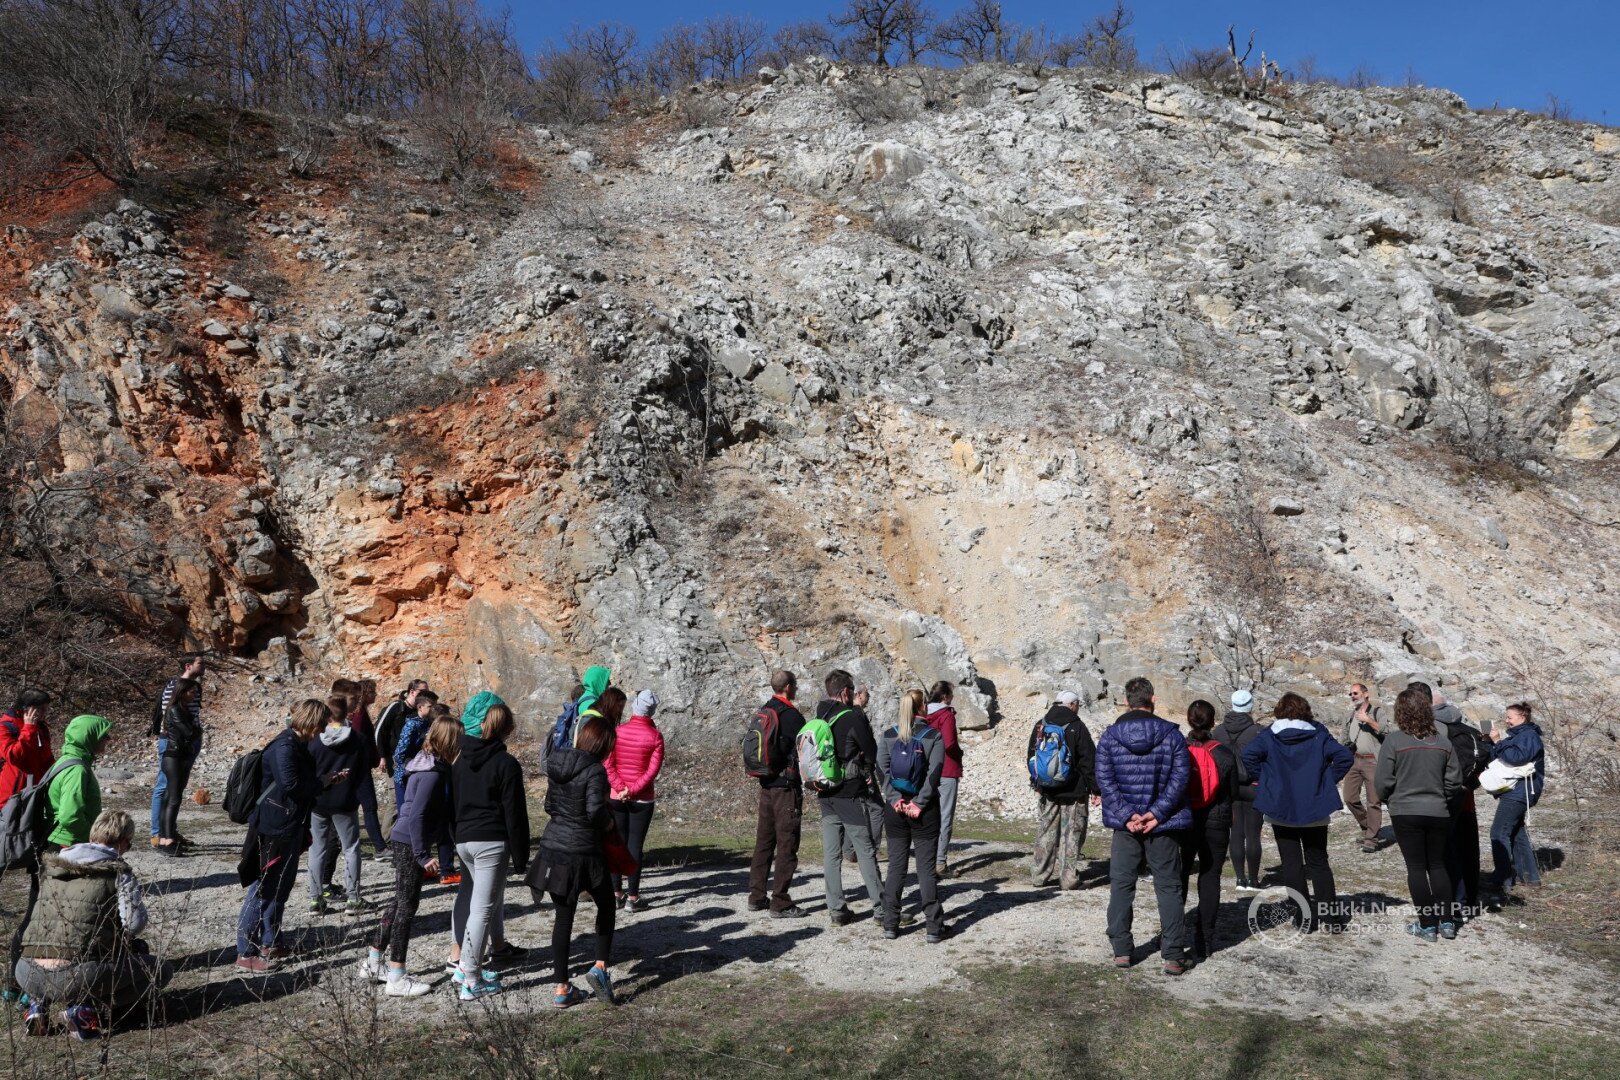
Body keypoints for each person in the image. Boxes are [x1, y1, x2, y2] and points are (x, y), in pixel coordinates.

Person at [15, 810, 172, 1039]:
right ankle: (84, 1008)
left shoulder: (52, 868)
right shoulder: (118, 872)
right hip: (77, 975)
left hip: (26, 970)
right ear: (124, 842)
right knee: (160, 970)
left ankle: (36, 1005)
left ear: (91, 835)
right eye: (128, 844)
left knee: (55, 943)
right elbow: (134, 925)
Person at [1095, 677, 1191, 975]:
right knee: (1169, 887)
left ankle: (1122, 950)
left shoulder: (1109, 737)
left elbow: (1105, 781)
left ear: (1126, 701)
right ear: (1153, 699)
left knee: (1122, 885)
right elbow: (1180, 779)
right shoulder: (1173, 736)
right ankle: (1173, 955)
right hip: (1162, 824)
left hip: (1127, 826)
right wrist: (1156, 814)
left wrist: (1127, 815)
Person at [363, 714, 461, 997]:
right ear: (449, 742)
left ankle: (373, 961)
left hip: (405, 840)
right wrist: (421, 855)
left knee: (399, 902)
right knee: (407, 908)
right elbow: (417, 815)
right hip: (408, 843)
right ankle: (397, 975)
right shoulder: (431, 774)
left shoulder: (428, 764)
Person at [1241, 693, 1353, 933]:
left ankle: (1303, 918)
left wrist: (1267, 781)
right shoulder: (1318, 733)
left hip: (1281, 807)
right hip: (1314, 806)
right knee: (1319, 863)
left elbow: (1248, 755)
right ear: (1305, 710)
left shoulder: (1270, 734)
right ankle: (1331, 919)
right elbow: (1344, 757)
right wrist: (1326, 781)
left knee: (1291, 865)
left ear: (1279, 711)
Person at [532, 716, 619, 1008]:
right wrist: (608, 823)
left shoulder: (557, 764)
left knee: (563, 917)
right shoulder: (595, 770)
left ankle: (561, 988)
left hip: (554, 847)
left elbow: (548, 805)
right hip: (584, 850)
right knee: (606, 904)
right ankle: (600, 967)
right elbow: (594, 810)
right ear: (603, 745)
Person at [237, 700, 328, 972]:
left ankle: (271, 941)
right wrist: (322, 783)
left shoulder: (297, 744)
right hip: (272, 828)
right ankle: (245, 952)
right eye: (321, 724)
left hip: (289, 825)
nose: (323, 730)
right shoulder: (284, 747)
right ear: (311, 721)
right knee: (262, 888)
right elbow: (292, 786)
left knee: (281, 887)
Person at [449, 694, 530, 998]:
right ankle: (471, 978)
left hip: (464, 840)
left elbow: (452, 805)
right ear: (505, 729)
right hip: (491, 843)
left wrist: (455, 838)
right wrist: (521, 857)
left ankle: (464, 967)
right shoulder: (506, 764)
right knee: (482, 910)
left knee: (476, 903)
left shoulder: (458, 760)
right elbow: (515, 814)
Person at [1375, 686, 1465, 942]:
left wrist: (1390, 799)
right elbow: (1454, 781)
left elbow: (1382, 781)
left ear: (1400, 712)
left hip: (1405, 811)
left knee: (1416, 868)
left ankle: (1427, 925)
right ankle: (1447, 922)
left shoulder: (1394, 741)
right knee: (1437, 865)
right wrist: (1441, 798)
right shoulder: (1443, 742)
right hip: (1437, 810)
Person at [875, 689, 948, 942]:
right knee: (926, 869)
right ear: (923, 706)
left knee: (896, 867)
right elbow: (935, 773)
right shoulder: (934, 736)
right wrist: (919, 803)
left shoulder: (888, 735)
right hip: (924, 811)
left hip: (895, 811)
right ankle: (933, 927)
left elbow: (881, 771)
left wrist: (895, 799)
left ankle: (890, 924)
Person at [814, 670, 885, 927]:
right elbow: (872, 751)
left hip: (825, 791)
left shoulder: (819, 715)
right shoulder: (852, 717)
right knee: (865, 850)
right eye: (852, 691)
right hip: (849, 792)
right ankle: (882, 909)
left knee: (832, 854)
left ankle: (837, 910)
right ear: (845, 692)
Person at [2, 688, 56, 1002]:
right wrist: (28, 728)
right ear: (26, 708)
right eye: (40, 710)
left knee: (33, 863)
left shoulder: (41, 729)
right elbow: (16, 757)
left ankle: (18, 979)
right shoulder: (7, 726)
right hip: (8, 806)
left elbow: (44, 760)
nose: (44, 715)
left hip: (33, 803)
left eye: (46, 710)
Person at [1427, 687, 1491, 919]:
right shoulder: (1468, 730)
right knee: (1469, 850)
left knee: (1448, 852)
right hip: (1467, 799)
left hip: (1447, 799)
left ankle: (1453, 900)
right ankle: (1470, 899)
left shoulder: (1437, 732)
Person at [747, 671, 807, 917]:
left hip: (766, 785)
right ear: (789, 687)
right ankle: (780, 902)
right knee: (787, 843)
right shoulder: (792, 716)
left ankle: (756, 896)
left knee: (764, 842)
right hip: (785, 787)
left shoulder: (764, 709)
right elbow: (805, 750)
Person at [1181, 700, 1237, 960]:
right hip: (1217, 821)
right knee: (1210, 876)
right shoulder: (1224, 753)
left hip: (1185, 820)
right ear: (1213, 721)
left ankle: (1173, 932)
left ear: (1188, 720)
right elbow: (1233, 792)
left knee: (1179, 874)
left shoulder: (1178, 749)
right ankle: (1205, 938)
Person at [1028, 690, 1099, 890]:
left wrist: (1037, 783)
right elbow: (1088, 760)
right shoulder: (1077, 726)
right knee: (1072, 835)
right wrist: (1096, 789)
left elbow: (1032, 757)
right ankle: (1068, 879)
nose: (1078, 708)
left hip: (1048, 790)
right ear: (1072, 704)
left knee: (1046, 831)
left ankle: (1039, 876)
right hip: (1075, 791)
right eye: (1078, 705)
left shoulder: (1041, 724)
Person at [307, 694, 368, 915]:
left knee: (317, 849)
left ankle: (315, 899)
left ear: (326, 714)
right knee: (350, 848)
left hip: (318, 800)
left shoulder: (314, 740)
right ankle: (353, 898)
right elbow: (363, 772)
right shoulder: (358, 739)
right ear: (347, 712)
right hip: (345, 800)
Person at [607, 690, 665, 912]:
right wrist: (632, 790)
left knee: (617, 843)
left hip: (616, 795)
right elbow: (652, 772)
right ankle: (633, 897)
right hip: (642, 798)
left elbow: (608, 764)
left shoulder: (617, 731)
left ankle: (616, 894)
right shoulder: (655, 736)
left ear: (634, 707)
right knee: (634, 846)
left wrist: (620, 788)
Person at [1483, 702, 1545, 901]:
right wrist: (1492, 743)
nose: (1506, 720)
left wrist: (1498, 741)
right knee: (1517, 832)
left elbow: (1516, 758)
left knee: (1498, 832)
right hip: (1518, 790)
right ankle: (1530, 877)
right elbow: (1501, 758)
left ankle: (1503, 879)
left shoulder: (1529, 736)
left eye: (1510, 717)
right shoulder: (1519, 736)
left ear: (1522, 717)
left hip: (1520, 791)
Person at [1212, 690, 1264, 892]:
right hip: (1253, 785)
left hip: (1228, 787)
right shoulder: (1258, 731)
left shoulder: (1218, 731)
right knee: (1253, 834)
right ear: (1250, 706)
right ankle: (1253, 880)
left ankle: (1240, 879)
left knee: (1235, 833)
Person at [149, 654, 204, 848]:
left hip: (190, 741)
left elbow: (194, 715)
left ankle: (170, 830)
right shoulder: (174, 685)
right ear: (188, 666)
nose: (203, 667)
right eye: (200, 663)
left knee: (177, 788)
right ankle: (158, 833)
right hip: (173, 742)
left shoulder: (195, 687)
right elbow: (168, 715)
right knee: (164, 786)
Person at [1340, 683, 1386, 853]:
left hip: (1373, 761)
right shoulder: (1349, 715)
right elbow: (1343, 738)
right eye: (1351, 694)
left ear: (1366, 694)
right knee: (1349, 798)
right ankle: (1369, 826)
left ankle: (1371, 839)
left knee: (1373, 801)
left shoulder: (1378, 712)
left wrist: (1369, 721)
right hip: (1354, 760)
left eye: (1355, 693)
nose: (1352, 696)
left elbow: (1387, 732)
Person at [925, 682, 964, 879]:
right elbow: (949, 744)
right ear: (945, 697)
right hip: (947, 769)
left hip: (928, 770)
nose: (952, 698)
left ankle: (927, 859)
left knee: (929, 814)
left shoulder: (923, 714)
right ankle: (940, 862)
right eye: (951, 694)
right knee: (945, 816)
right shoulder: (946, 715)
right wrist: (960, 753)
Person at [376, 678, 430, 800]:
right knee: (395, 797)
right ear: (412, 692)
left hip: (412, 759)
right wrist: (381, 756)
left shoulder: (420, 711)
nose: (425, 695)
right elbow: (379, 730)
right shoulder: (396, 707)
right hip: (393, 759)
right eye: (422, 691)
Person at [352, 679, 388, 859]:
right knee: (370, 807)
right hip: (360, 768)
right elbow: (360, 740)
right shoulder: (358, 715)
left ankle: (351, 847)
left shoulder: (359, 712)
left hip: (359, 766)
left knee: (353, 808)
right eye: (372, 692)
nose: (375, 695)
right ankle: (380, 848)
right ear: (364, 693)